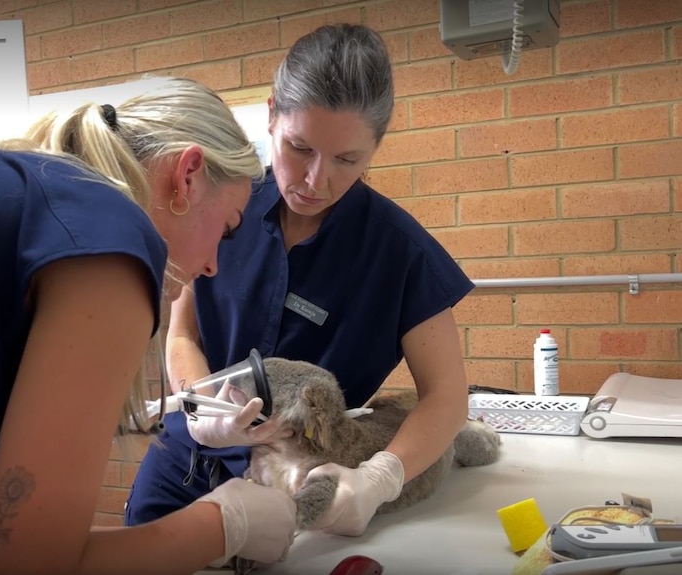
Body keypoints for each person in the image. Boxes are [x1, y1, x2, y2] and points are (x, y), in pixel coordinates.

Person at [0, 77, 297, 575]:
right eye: (227, 228)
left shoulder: (25, 192)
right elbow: (24, 566)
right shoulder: (109, 237)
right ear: (188, 176)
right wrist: (224, 524)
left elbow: (9, 539)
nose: (214, 265)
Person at [125, 23, 475, 538]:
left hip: (299, 482)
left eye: (346, 159)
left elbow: (447, 396)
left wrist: (383, 476)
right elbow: (183, 336)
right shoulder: (223, 205)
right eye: (299, 148)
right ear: (271, 116)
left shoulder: (400, 253)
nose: (316, 180)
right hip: (189, 458)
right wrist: (202, 404)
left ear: (376, 146)